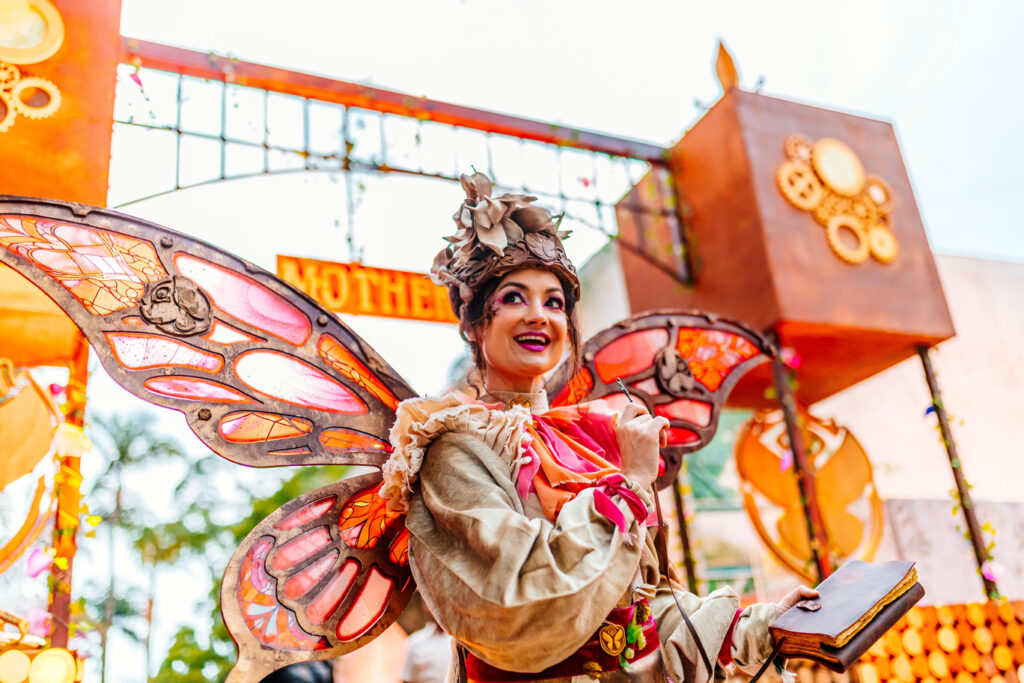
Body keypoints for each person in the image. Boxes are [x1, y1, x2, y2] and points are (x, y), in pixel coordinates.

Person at [380, 173, 816, 682]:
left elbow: (640, 614)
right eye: (515, 298)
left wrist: (759, 626)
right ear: (475, 325)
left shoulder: (590, 439)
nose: (538, 316)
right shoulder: (453, 449)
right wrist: (629, 486)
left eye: (555, 302)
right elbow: (521, 603)